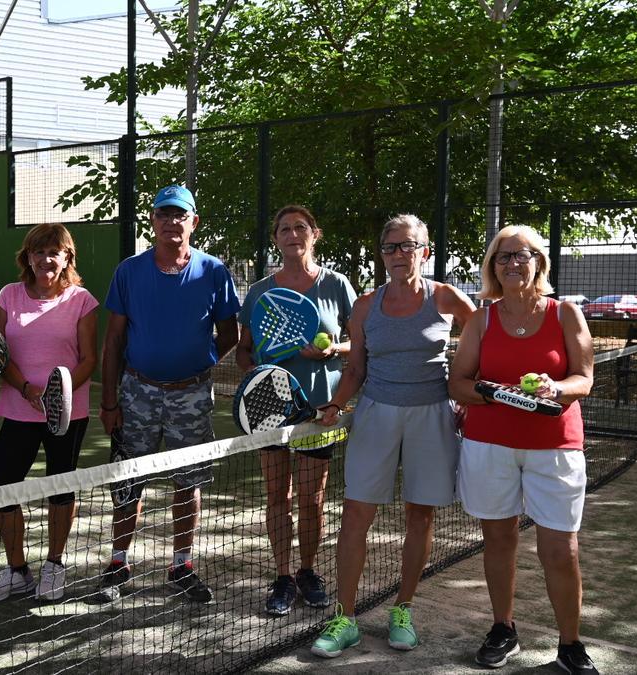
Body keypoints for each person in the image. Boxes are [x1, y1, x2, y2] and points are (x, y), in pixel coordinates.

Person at [311, 214, 475, 658]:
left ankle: (402, 609)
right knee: (355, 514)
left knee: (420, 516)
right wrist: (337, 403)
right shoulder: (365, 305)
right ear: (382, 254)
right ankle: (344, 618)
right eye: (391, 247)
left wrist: (468, 389)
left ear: (425, 250)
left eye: (408, 246)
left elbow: (483, 340)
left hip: (432, 417)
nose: (399, 255)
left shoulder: (446, 297)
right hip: (376, 414)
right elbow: (356, 367)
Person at [448, 225, 597, 674]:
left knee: (561, 549)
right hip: (488, 445)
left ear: (539, 262)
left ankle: (570, 645)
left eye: (522, 255)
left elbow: (584, 379)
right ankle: (503, 628)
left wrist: (556, 387)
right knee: (498, 538)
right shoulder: (482, 318)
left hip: (554, 447)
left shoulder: (565, 313)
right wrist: (489, 393)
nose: (513, 263)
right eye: (502, 257)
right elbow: (458, 382)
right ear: (493, 267)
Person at [94, 184, 241, 604]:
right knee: (127, 482)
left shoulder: (213, 271)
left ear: (194, 222)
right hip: (136, 393)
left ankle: (181, 565)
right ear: (153, 222)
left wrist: (199, 360)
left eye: (180, 215)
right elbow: (113, 341)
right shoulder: (129, 271)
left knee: (188, 481)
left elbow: (229, 333)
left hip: (193, 396)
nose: (171, 222)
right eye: (163, 215)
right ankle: (118, 564)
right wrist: (109, 403)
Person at [235, 205, 356, 616]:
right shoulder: (259, 291)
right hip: (271, 408)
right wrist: (257, 374)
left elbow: (360, 344)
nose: (292, 234)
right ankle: (283, 577)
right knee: (276, 495)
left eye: (300, 227)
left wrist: (330, 348)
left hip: (320, 409)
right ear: (276, 238)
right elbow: (244, 350)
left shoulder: (337, 285)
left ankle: (308, 571)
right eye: (283, 228)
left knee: (312, 497)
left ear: (314, 234)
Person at [0, 223, 99, 603]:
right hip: (19, 408)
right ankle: (18, 571)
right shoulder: (9, 295)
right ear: (27, 257)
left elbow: (88, 359)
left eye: (54, 252)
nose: (46, 259)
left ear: (67, 258)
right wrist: (28, 389)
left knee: (60, 489)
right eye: (38, 252)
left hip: (67, 413)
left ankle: (54, 566)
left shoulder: (82, 300)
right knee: (2, 488)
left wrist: (56, 394)